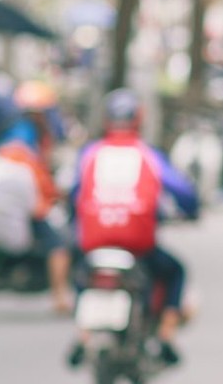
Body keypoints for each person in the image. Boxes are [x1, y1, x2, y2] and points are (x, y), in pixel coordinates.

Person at [68, 89, 200, 365]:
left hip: (94, 242)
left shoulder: (91, 153)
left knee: (81, 273)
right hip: (137, 243)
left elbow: (74, 193)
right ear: (139, 120)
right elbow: (183, 194)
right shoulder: (149, 156)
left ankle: (83, 334)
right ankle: (166, 335)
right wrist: (190, 210)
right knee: (176, 272)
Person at [0, 80, 73, 315]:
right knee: (59, 244)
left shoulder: (21, 133)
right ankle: (59, 296)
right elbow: (32, 176)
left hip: (18, 198)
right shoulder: (22, 138)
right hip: (29, 203)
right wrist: (52, 193)